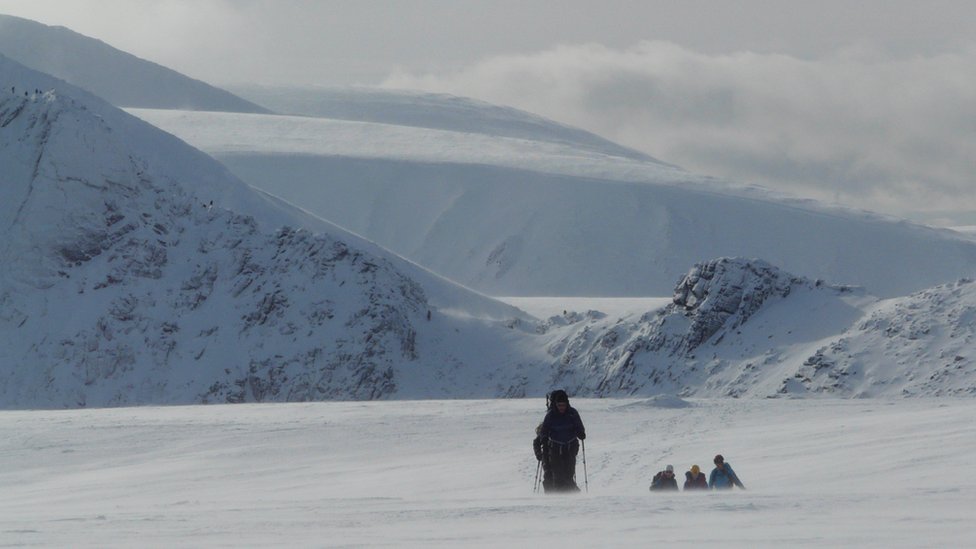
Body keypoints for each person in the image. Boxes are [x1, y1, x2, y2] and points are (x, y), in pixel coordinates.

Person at [538, 389, 586, 492]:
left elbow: (579, 426)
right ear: (555, 404)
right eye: (559, 405)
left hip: (570, 447)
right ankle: (562, 497)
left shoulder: (573, 413)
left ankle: (569, 496)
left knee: (569, 473)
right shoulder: (550, 415)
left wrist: (581, 433)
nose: (562, 408)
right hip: (555, 448)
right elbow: (544, 430)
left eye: (563, 405)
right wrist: (544, 439)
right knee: (558, 474)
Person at [532, 423, 553, 492]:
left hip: (557, 456)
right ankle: (550, 494)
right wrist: (539, 454)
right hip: (547, 457)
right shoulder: (545, 427)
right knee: (548, 475)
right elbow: (537, 442)